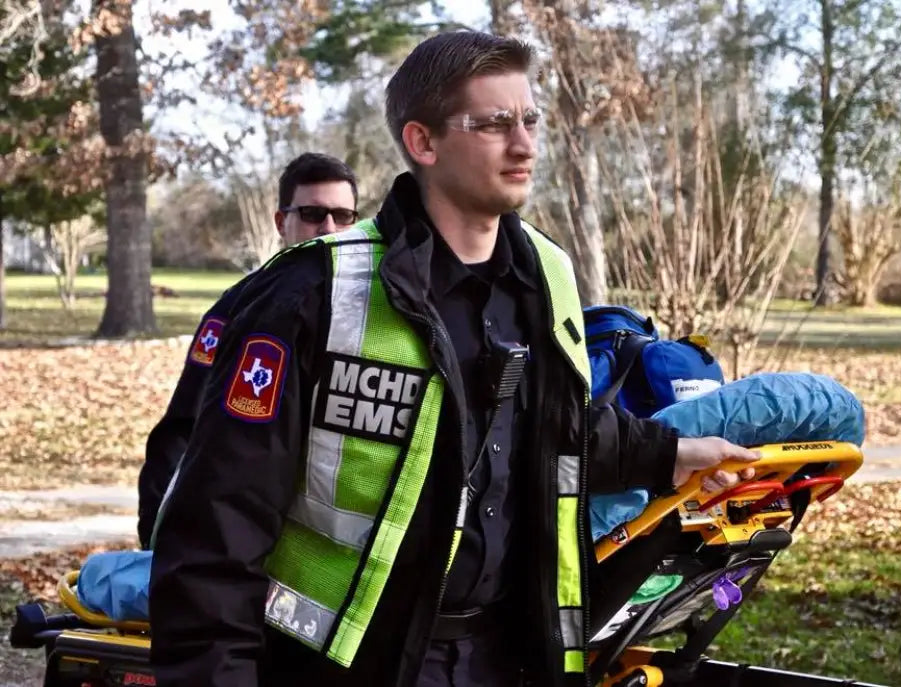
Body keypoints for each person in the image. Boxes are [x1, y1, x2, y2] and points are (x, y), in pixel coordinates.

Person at [148, 32, 756, 687]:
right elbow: (214, 533)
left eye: (529, 120)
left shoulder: (547, 276)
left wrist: (668, 453)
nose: (524, 144)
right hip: (350, 667)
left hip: (507, 656)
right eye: (493, 123)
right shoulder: (312, 295)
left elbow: (548, 427)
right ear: (423, 142)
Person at [137, 153, 359, 549]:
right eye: (312, 213)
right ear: (281, 222)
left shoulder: (377, 314)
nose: (330, 228)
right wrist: (159, 540)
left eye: (343, 216)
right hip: (245, 537)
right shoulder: (236, 310)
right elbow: (180, 433)